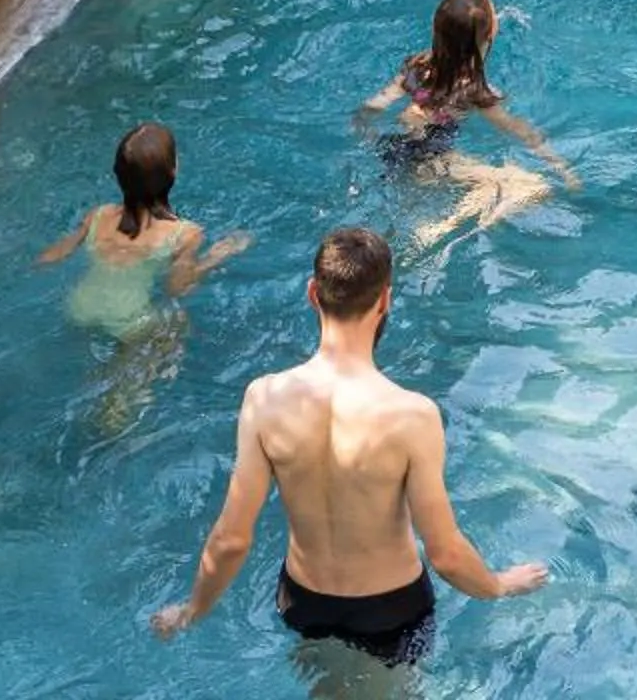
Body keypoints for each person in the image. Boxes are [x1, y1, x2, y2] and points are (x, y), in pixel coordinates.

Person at [152, 227, 550, 661]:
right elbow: (445, 552)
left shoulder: (263, 398)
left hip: (303, 603)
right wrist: (499, 585)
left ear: (312, 294)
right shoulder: (411, 414)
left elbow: (231, 539)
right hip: (392, 608)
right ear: (385, 301)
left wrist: (191, 611)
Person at [36, 122, 249, 433]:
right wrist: (218, 256)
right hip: (128, 318)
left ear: (116, 174)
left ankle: (95, 374)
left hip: (80, 306)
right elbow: (178, 288)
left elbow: (50, 258)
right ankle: (118, 403)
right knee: (175, 326)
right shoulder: (184, 234)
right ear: (174, 171)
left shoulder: (97, 215)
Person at [355, 0, 578, 260]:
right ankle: (439, 229)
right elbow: (519, 130)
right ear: (489, 37)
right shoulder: (473, 90)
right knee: (532, 187)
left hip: (392, 150)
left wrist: (366, 132)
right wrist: (561, 166)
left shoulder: (417, 66)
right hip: (434, 160)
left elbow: (371, 108)